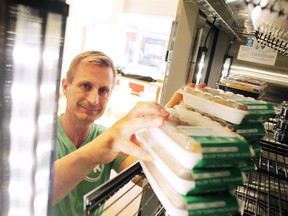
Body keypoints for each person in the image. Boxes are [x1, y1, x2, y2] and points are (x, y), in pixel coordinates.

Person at [51, 50, 203, 216]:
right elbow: (42, 193)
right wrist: (95, 152)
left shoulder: (107, 137)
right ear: (66, 87)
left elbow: (148, 177)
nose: (94, 99)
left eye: (103, 91)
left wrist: (167, 132)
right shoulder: (40, 137)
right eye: (85, 86)